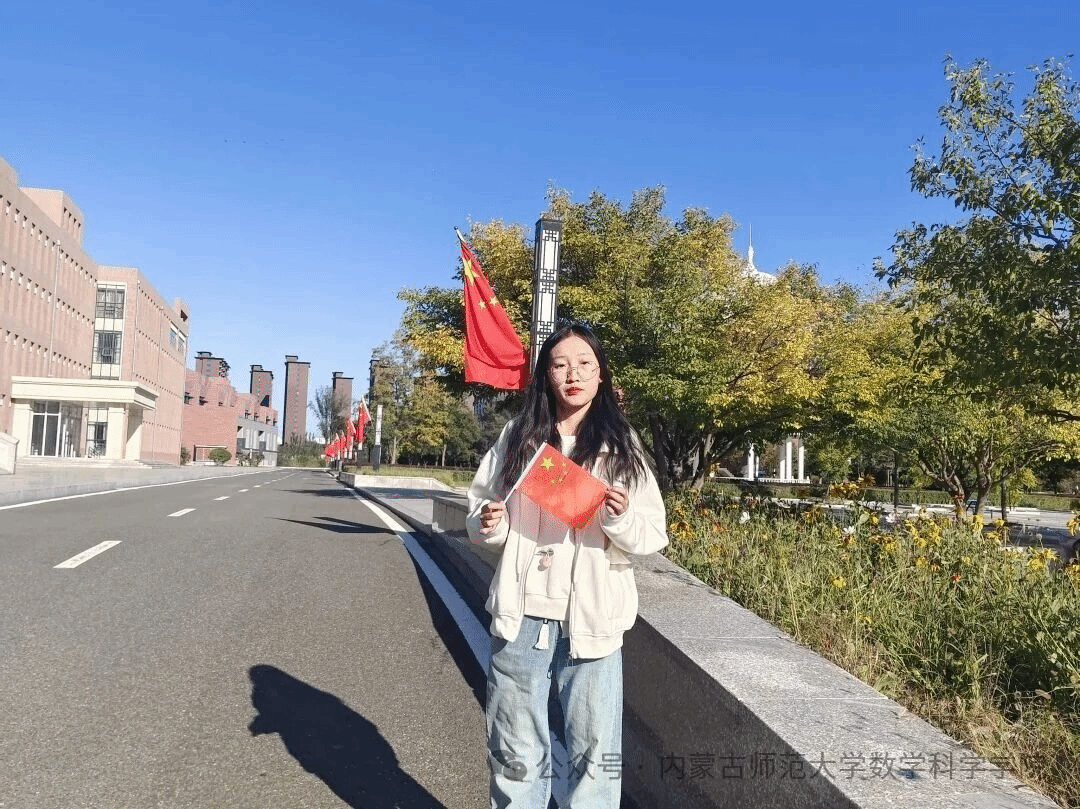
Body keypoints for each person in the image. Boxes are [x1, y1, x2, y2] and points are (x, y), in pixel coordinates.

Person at [467, 323, 668, 809]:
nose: (573, 375)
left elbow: (652, 535)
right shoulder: (519, 437)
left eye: (584, 364)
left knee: (594, 754)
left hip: (591, 620)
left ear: (601, 375)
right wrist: (491, 521)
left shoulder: (621, 445)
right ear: (546, 375)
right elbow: (481, 511)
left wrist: (619, 518)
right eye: (560, 365)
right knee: (514, 748)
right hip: (521, 615)